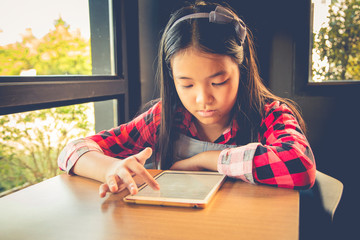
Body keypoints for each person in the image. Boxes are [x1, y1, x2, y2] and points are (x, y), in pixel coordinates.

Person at [58, 1, 316, 198]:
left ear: (242, 68)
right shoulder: (164, 116)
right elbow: (72, 151)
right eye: (187, 84)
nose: (203, 98)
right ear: (172, 79)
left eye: (218, 82)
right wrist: (109, 169)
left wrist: (202, 161)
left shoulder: (270, 114)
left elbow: (301, 166)